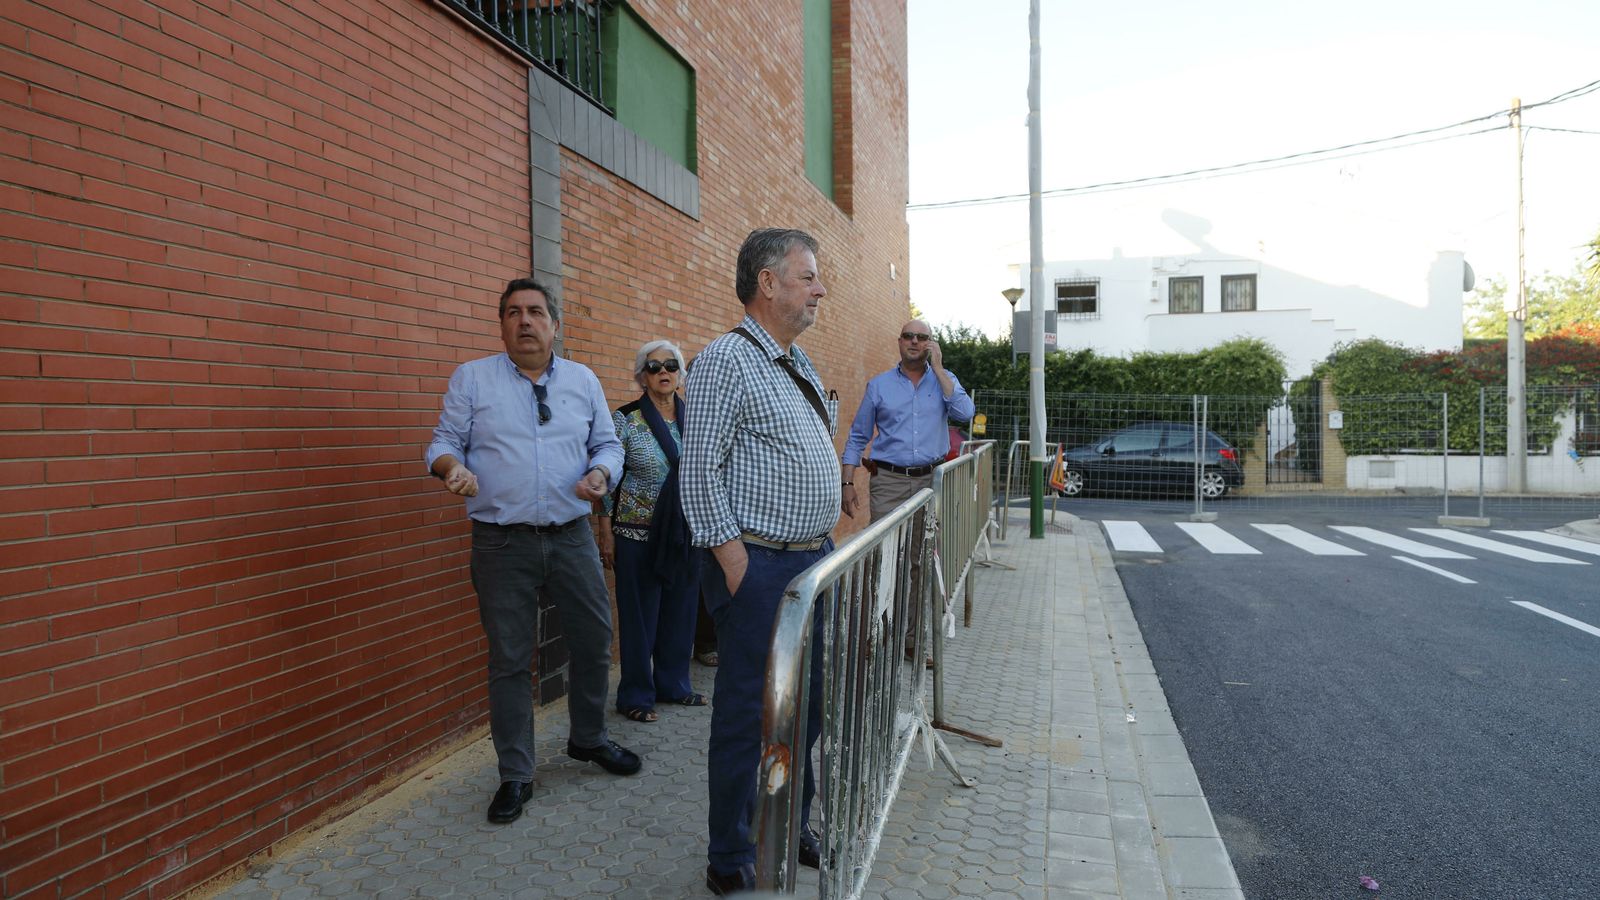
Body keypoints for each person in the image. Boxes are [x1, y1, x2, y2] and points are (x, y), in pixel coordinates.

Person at [425, 277, 642, 827]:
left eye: (536, 312)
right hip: (502, 544)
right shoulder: (472, 379)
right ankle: (516, 773)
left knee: (595, 640)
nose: (525, 321)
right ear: (501, 324)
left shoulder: (582, 379)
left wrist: (601, 473)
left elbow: (609, 443)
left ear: (554, 324)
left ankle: (588, 738)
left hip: (571, 537)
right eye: (514, 313)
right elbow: (443, 442)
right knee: (510, 660)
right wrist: (452, 469)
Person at [682, 228, 840, 895]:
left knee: (808, 710)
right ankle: (730, 856)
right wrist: (735, 564)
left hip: (809, 566)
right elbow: (697, 474)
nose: (820, 289)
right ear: (769, 281)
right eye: (808, 276)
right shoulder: (725, 359)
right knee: (748, 718)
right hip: (761, 570)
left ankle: (786, 821)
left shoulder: (795, 361)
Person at [840, 322, 975, 655]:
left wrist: (940, 369)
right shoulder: (879, 386)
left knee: (921, 562)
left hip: (930, 483)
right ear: (899, 342)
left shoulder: (945, 382)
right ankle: (873, 633)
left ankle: (914, 641)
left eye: (922, 337)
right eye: (908, 336)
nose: (914, 341)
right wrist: (846, 482)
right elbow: (858, 436)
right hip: (888, 482)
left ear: (930, 344)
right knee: (881, 558)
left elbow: (965, 412)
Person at [596, 339, 706, 724]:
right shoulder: (625, 419)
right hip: (635, 533)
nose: (663, 372)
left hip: (684, 532)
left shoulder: (697, 419)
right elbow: (609, 480)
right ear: (642, 375)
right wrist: (605, 532)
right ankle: (636, 695)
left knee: (681, 610)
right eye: (654, 366)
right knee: (640, 615)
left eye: (671, 366)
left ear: (680, 374)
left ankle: (674, 685)